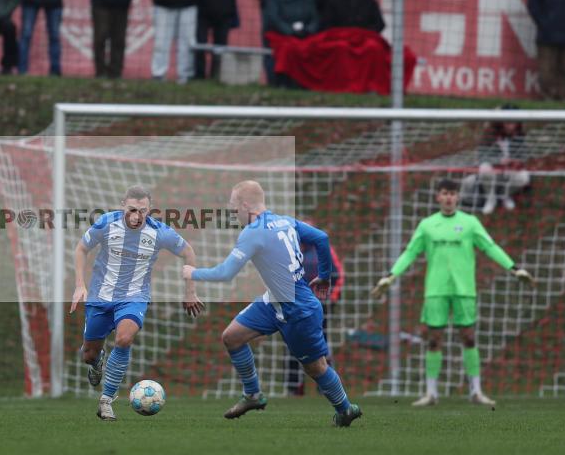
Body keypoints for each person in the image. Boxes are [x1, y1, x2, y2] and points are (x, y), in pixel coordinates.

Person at [182, 180, 362, 427]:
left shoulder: (253, 232)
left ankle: (345, 409)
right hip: (274, 301)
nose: (234, 215)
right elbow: (321, 237)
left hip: (298, 309)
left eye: (234, 209)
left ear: (246, 205)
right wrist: (324, 274)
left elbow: (225, 273)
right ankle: (253, 395)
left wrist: (193, 273)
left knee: (316, 368)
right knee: (232, 337)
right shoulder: (286, 221)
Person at [372, 178, 535, 407]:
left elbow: (490, 247)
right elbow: (410, 253)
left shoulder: (470, 223)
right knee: (433, 339)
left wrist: (514, 268)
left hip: (464, 290)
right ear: (438, 197)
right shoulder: (427, 225)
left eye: (452, 193)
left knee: (469, 337)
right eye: (444, 193)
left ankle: (476, 391)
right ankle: (431, 393)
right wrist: (390, 275)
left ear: (458, 197)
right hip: (436, 290)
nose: (448, 197)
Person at [70, 185, 203, 421]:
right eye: (132, 209)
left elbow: (188, 253)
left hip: (134, 297)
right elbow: (81, 249)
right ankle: (97, 361)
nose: (137, 216)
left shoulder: (159, 232)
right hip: (100, 297)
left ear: (149, 210)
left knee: (124, 338)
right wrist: (80, 285)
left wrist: (190, 292)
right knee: (89, 355)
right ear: (123, 205)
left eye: (143, 211)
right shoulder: (106, 223)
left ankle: (106, 401)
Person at [286, 231, 344, 396]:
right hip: (294, 305)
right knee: (291, 342)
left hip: (319, 305)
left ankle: (326, 387)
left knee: (320, 344)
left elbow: (338, 274)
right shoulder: (289, 250)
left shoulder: (323, 250)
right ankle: (294, 388)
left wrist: (332, 298)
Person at [461, 119, 530, 216]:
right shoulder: (489, 136)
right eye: (508, 123)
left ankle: (504, 195)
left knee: (524, 177)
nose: (511, 126)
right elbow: (481, 157)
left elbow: (524, 156)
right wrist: (499, 161)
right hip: (493, 171)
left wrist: (516, 162)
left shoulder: (519, 136)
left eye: (514, 123)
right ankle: (490, 198)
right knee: (484, 168)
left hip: (509, 171)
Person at [264, 0, 318, 88]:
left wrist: (307, 30)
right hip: (281, 35)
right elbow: (274, 19)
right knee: (288, 48)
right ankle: (284, 81)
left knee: (313, 48)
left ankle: (307, 82)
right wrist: (290, 31)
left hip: (303, 35)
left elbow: (314, 18)